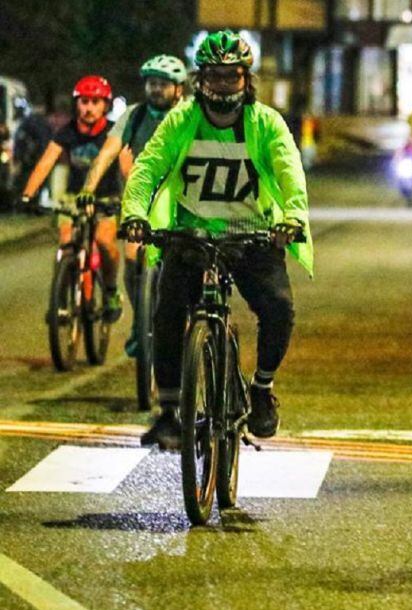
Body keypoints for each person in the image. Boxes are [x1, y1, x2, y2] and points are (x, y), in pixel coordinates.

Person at [120, 30, 313, 449]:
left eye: (232, 76)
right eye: (214, 76)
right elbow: (148, 167)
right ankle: (170, 411)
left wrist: (293, 217)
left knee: (279, 308)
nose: (223, 85)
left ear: (246, 79)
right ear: (199, 79)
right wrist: (134, 212)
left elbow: (289, 172)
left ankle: (261, 389)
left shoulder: (265, 123)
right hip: (190, 237)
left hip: (252, 239)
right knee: (166, 315)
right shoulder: (181, 119)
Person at [79, 54, 188, 356]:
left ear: (179, 89)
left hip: (185, 199)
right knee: (132, 256)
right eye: (152, 83)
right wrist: (88, 189)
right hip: (143, 198)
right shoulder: (135, 115)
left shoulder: (190, 116)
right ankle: (141, 323)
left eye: (163, 84)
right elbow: (107, 154)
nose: (156, 89)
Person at [19, 76, 123, 322]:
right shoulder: (67, 131)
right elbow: (46, 161)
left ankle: (110, 292)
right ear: (77, 104)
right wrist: (28, 195)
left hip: (105, 198)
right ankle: (62, 302)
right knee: (66, 244)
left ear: (105, 106)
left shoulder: (113, 132)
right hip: (73, 198)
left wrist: (131, 198)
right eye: (84, 101)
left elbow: (127, 167)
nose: (88, 108)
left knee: (105, 243)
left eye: (95, 102)